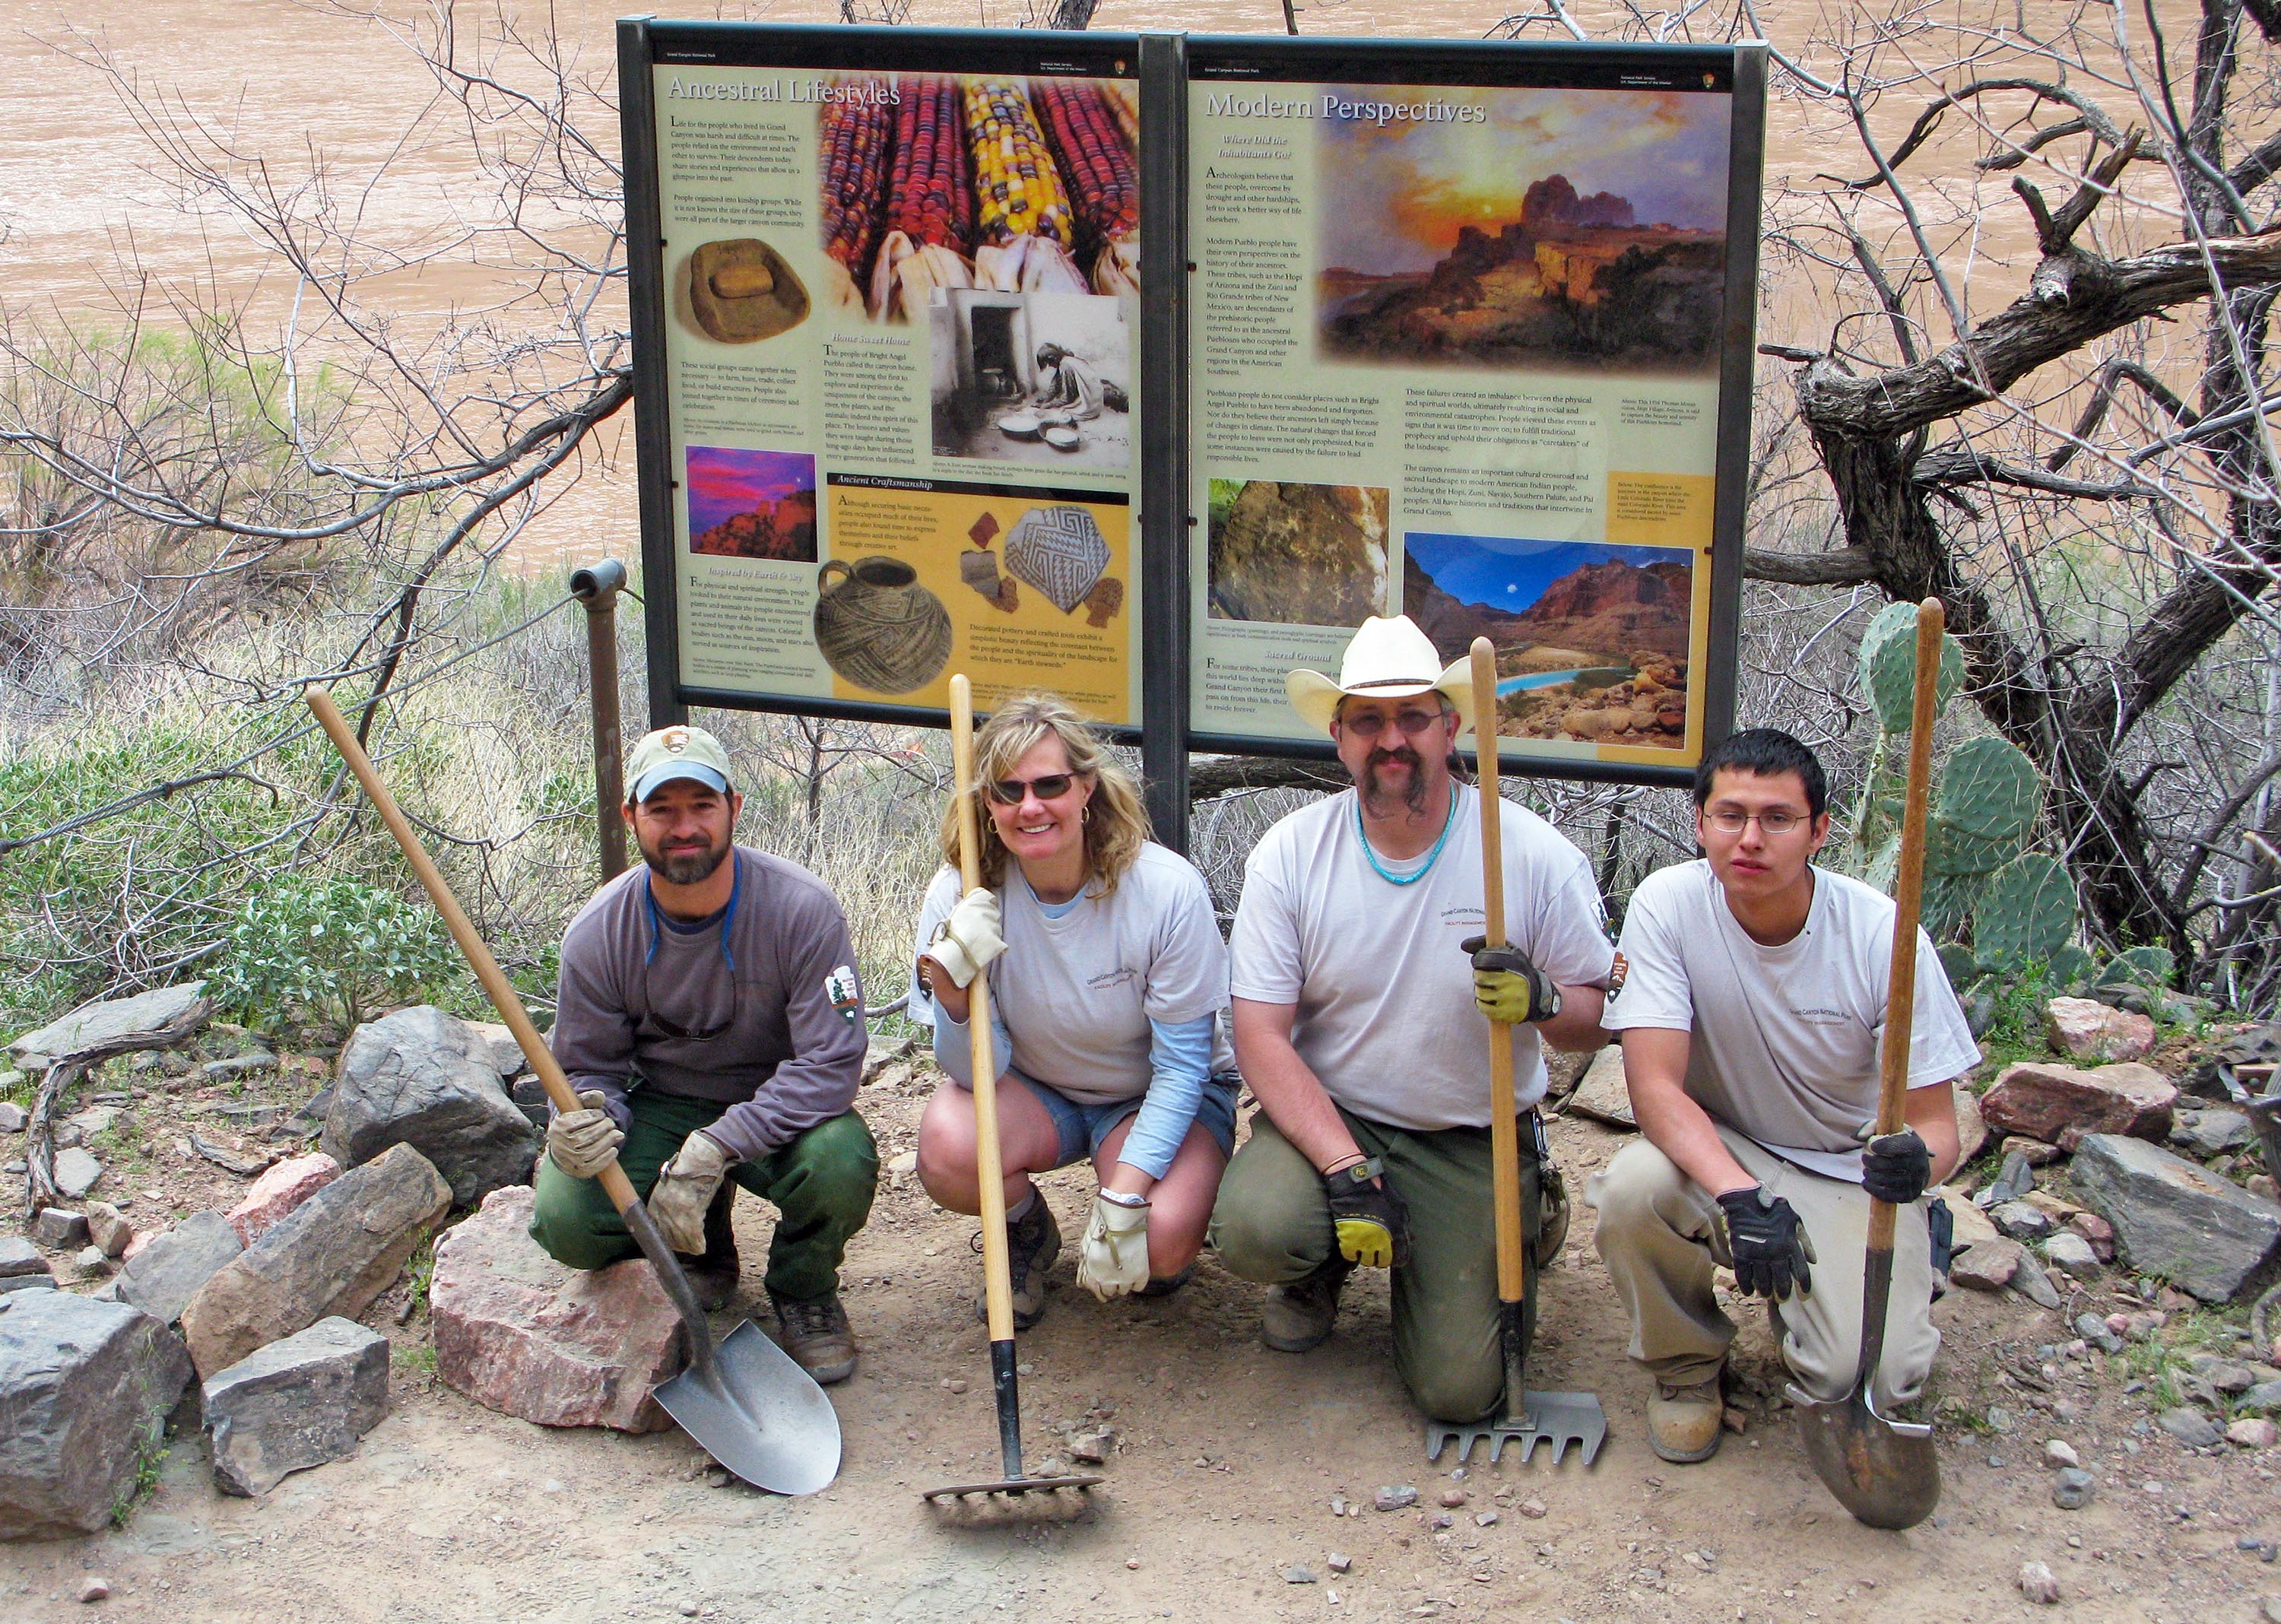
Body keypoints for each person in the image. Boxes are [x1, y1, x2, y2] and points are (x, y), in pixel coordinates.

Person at [1208, 616, 1615, 1423]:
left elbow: (1594, 1018)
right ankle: (1316, 1265)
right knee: (1256, 1227)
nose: (1392, 740)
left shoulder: (1527, 854)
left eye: (1413, 718)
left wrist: (1545, 1003)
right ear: (1340, 738)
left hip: (1469, 1132)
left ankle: (1516, 1214)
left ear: (1452, 727)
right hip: (1339, 1115)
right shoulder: (1290, 855)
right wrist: (1343, 1168)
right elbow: (1259, 1035)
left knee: (1463, 1394)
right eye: (1368, 721)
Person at [1589, 728, 1978, 1462]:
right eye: (1730, 816)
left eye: (1777, 819)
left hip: (1844, 1165)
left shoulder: (1882, 935)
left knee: (1866, 1380)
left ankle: (1889, 1262)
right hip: (1725, 1146)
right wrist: (1740, 1196)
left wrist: (1916, 1169)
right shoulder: (1668, 906)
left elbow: (1937, 1127)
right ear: (1699, 823)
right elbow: (1654, 1088)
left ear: (1819, 831)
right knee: (1633, 1189)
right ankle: (1686, 1369)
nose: (1750, 839)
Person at [528, 725, 879, 1385]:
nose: (683, 826)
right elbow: (587, 1066)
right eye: (662, 809)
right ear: (631, 817)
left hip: (776, 1104)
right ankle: (703, 1244)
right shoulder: (598, 932)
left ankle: (803, 1290)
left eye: (702, 806)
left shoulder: (803, 912)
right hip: (661, 1101)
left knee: (840, 1161)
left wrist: (717, 1146)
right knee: (567, 1220)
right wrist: (586, 1116)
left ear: (735, 809)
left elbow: (830, 1065)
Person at [911, 690, 1237, 1327]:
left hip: (1153, 1093)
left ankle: (1149, 1222)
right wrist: (954, 997)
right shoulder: (962, 892)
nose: (1029, 807)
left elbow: (1183, 1065)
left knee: (1157, 1244)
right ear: (987, 804)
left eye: (1050, 785)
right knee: (951, 1148)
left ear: (1086, 787)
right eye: (1007, 792)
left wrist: (1124, 1197)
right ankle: (1026, 1234)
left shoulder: (1164, 891)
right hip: (1039, 1089)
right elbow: (973, 1071)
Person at [1029, 343, 1105, 421]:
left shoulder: (1065, 366)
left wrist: (1048, 405)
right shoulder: (1065, 359)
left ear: (1053, 359)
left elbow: (1068, 398)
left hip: (1091, 402)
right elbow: (1056, 384)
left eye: (1049, 364)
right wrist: (1046, 400)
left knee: (1062, 414)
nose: (1050, 367)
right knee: (1056, 407)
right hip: (1093, 396)